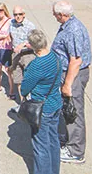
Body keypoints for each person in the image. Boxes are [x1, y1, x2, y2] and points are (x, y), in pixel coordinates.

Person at [51, 0, 92, 164]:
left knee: (73, 111)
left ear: (62, 14)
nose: (54, 16)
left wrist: (67, 84)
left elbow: (75, 60)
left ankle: (75, 151)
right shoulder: (69, 25)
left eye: (55, 14)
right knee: (67, 110)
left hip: (73, 75)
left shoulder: (73, 29)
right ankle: (68, 140)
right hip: (70, 73)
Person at [21, 29, 63, 174]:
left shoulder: (37, 65)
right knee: (53, 141)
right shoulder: (55, 57)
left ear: (33, 46)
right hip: (55, 104)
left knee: (41, 146)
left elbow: (25, 88)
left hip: (42, 109)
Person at [9, 6, 37, 104]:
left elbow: (35, 44)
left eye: (20, 14)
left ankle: (32, 103)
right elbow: (10, 36)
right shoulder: (11, 24)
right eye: (15, 14)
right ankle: (22, 103)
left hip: (28, 55)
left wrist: (24, 45)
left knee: (30, 78)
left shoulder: (30, 26)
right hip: (16, 54)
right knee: (18, 79)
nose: (17, 16)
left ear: (24, 15)